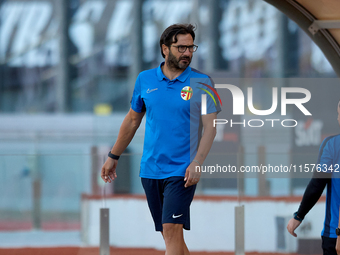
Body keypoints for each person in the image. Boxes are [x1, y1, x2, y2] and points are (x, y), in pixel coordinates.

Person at [101, 24, 220, 255]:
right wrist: (113, 155)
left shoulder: (203, 82)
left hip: (182, 172)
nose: (187, 53)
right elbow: (132, 121)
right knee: (170, 235)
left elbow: (211, 128)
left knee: (171, 228)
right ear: (165, 49)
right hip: (151, 170)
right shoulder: (144, 79)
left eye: (191, 47)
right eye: (181, 47)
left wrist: (197, 162)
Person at [287, 100, 340, 255]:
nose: (337, 119)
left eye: (339, 114)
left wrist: (299, 216)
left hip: (335, 234)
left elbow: (317, 184)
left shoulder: (332, 145)